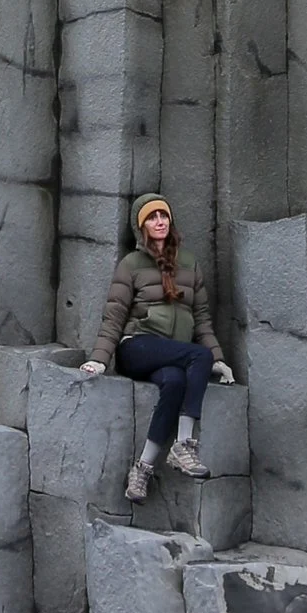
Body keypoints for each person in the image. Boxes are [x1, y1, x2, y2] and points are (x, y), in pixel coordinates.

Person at [80, 192, 233, 498]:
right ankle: (184, 445)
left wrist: (217, 359)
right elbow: (114, 315)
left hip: (173, 355)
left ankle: (142, 470)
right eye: (151, 218)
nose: (159, 222)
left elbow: (201, 317)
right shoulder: (132, 264)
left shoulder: (189, 262)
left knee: (175, 383)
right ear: (142, 227)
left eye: (163, 215)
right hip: (137, 347)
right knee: (196, 356)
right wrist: (100, 358)